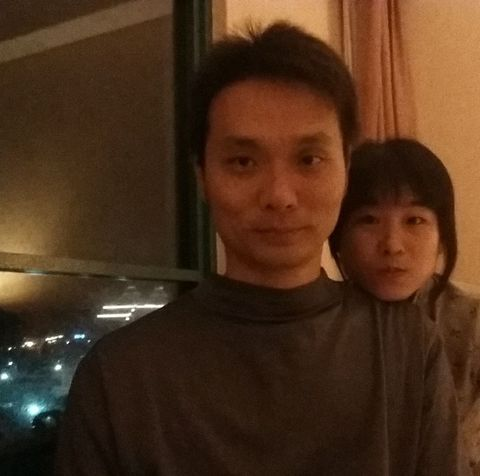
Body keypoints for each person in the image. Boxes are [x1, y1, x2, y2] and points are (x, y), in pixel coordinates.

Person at [55, 23, 461, 475]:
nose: (280, 195)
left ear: (346, 167)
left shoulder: (407, 348)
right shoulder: (120, 377)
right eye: (243, 162)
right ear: (202, 176)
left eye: (309, 159)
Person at [329, 138, 480, 473]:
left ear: (442, 238)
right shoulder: (320, 325)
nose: (392, 245)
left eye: (414, 220)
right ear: (338, 241)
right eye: (368, 220)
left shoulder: (473, 321)